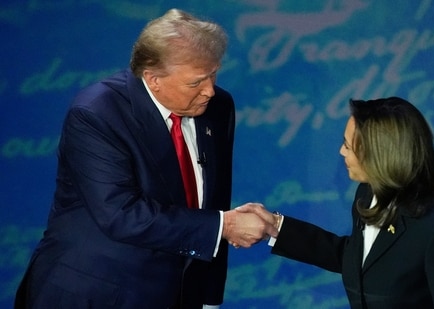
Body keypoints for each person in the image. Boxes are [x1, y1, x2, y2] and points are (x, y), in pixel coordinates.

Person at [14, 8, 277, 309]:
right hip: (95, 293)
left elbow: (213, 199)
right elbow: (121, 213)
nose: (209, 90)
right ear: (153, 79)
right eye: (196, 82)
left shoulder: (218, 108)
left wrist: (208, 298)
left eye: (213, 75)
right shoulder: (97, 114)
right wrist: (225, 226)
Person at [239, 97, 434, 308]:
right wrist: (276, 226)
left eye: (348, 145)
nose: (341, 152)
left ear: (380, 155)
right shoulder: (366, 194)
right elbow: (358, 259)